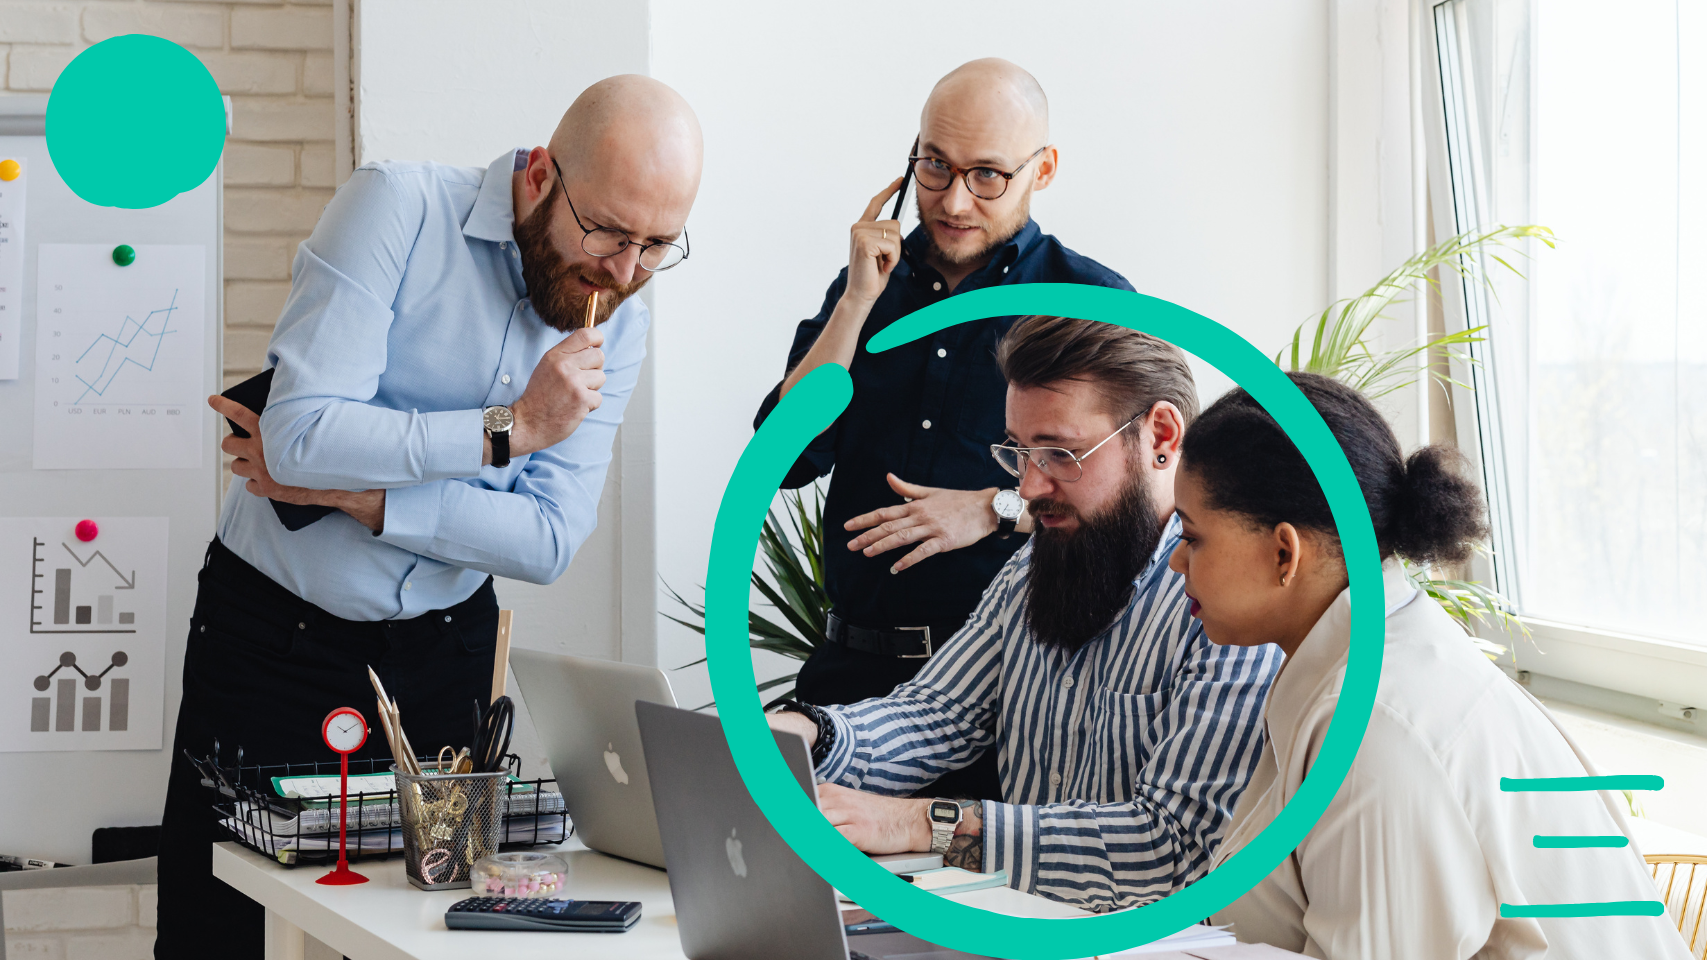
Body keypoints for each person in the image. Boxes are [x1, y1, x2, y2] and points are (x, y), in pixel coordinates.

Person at [155, 76, 702, 958]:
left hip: (446, 653)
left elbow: (548, 539)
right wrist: (509, 430)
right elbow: (300, 436)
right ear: (539, 175)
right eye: (605, 230)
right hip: (272, 638)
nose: (623, 271)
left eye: (656, 246)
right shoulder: (397, 208)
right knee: (219, 930)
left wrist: (358, 497)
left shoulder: (619, 325)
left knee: (433, 934)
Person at [766, 316, 1282, 912]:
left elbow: (1171, 849)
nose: (1029, 488)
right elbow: (936, 714)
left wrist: (920, 825)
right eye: (1019, 452)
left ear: (1161, 437)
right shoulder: (1033, 565)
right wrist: (807, 735)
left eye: (1061, 453)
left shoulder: (1228, 607)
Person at [1169, 373, 1691, 959]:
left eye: (1192, 537)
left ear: (1284, 552)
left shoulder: (1376, 726)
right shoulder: (1375, 661)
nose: (1176, 562)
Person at [755, 60, 1135, 800]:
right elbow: (782, 459)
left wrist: (993, 508)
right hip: (848, 680)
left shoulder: (1089, 300)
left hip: (1010, 696)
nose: (954, 200)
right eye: (934, 166)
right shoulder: (868, 286)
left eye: (987, 175)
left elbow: (1136, 503)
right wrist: (856, 302)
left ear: (1042, 169)